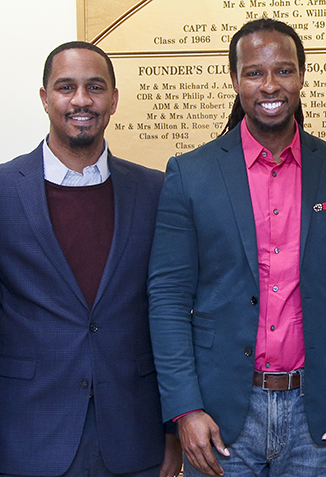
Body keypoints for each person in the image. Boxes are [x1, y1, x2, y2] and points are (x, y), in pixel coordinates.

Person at [147, 19, 326, 477]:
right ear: (235, 80)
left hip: (318, 417)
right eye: (254, 72)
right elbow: (168, 299)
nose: (270, 85)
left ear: (302, 76)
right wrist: (184, 409)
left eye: (284, 71)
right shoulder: (190, 174)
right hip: (219, 417)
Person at [0, 42, 182, 477]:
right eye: (66, 87)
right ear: (45, 98)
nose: (81, 100)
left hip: (135, 442)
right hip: (25, 436)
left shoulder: (157, 192)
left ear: (114, 99)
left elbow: (173, 313)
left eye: (95, 87)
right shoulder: (3, 192)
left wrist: (173, 427)